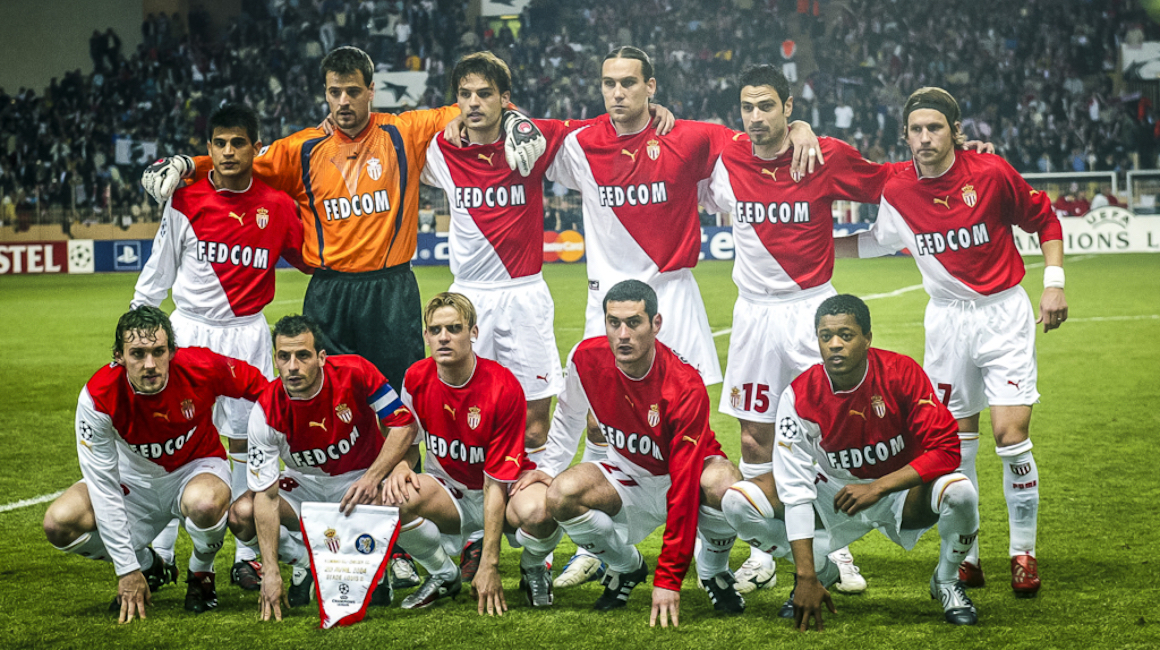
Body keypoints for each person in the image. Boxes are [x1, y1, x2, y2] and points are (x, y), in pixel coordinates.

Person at [544, 46, 821, 589]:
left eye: (629, 82)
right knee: (599, 420)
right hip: (609, 301)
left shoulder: (691, 138)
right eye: (608, 83)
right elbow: (507, 124)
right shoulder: (579, 141)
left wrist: (802, 126)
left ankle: (726, 543)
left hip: (672, 296)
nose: (617, 92)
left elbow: (761, 137)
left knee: (692, 428)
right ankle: (600, 547)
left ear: (651, 87)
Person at [851, 87, 1068, 596]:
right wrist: (806, 247)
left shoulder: (990, 173)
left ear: (955, 131)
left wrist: (1054, 283)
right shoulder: (898, 190)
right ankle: (967, 555)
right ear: (905, 136)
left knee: (1010, 436)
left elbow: (1045, 219)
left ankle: (1023, 553)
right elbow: (877, 242)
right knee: (955, 443)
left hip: (1002, 314)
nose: (925, 138)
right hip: (946, 323)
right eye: (916, 130)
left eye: (935, 128)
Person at [699, 64, 891, 595]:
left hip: (812, 309)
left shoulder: (822, 155)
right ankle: (762, 550)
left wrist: (964, 160)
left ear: (788, 107)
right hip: (753, 313)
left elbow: (890, 182)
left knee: (828, 428)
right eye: (747, 107)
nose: (756, 117)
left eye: (767, 106)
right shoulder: (726, 155)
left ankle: (835, 543)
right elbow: (667, 139)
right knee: (754, 434)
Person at [131, 103, 307, 588]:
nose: (229, 152)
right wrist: (138, 332)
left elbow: (310, 257)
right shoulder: (185, 200)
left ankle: (248, 552)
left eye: (238, 143)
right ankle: (162, 550)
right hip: (188, 332)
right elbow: (157, 272)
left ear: (255, 148)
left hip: (247, 333)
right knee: (176, 435)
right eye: (220, 143)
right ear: (208, 149)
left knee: (250, 439)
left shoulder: (278, 206)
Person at [729, 294, 979, 630]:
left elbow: (947, 448)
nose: (834, 344)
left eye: (845, 335)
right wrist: (806, 576)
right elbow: (795, 489)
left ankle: (946, 580)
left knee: (961, 492)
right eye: (826, 336)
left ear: (867, 338)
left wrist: (878, 488)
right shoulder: (799, 396)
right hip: (834, 493)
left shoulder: (901, 372)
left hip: (899, 492)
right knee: (737, 502)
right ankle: (824, 570)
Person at [538, 280, 744, 627]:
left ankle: (713, 571)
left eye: (634, 323)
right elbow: (569, 415)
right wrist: (548, 469)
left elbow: (683, 483)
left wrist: (669, 578)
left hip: (687, 479)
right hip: (628, 475)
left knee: (725, 484)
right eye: (613, 323)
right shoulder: (585, 357)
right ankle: (626, 567)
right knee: (561, 494)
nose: (622, 334)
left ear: (655, 324)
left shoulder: (684, 385)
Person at [42, 306, 269, 622]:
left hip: (196, 468)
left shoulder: (201, 366)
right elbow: (103, 485)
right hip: (133, 481)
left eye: (158, 352)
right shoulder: (98, 397)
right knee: (58, 523)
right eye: (137, 353)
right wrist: (128, 568)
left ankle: (201, 572)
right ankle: (150, 566)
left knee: (205, 504)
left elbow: (265, 390)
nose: (150, 364)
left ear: (172, 351)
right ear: (119, 356)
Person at [377, 293, 561, 613]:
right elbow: (410, 441)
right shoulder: (416, 377)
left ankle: (534, 567)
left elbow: (495, 483)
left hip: (506, 489)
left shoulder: (502, 386)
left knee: (541, 511)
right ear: (426, 336)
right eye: (436, 330)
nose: (444, 337)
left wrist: (489, 563)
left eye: (454, 328)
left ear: (473, 332)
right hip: (450, 490)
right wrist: (402, 467)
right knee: (389, 497)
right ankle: (443, 573)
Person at [227, 314, 416, 621]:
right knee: (241, 514)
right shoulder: (266, 410)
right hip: (304, 486)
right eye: (284, 357)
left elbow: (403, 424)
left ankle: (428, 570)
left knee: (404, 495)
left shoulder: (356, 371)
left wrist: (373, 477)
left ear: (321, 357)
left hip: (359, 480)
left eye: (303, 355)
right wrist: (271, 571)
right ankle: (305, 562)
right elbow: (267, 496)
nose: (293, 366)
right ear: (275, 360)